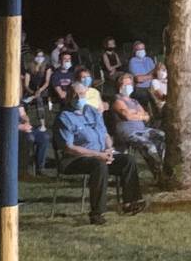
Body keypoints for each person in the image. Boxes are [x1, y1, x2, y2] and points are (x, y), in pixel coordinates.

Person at [54, 78, 144, 224]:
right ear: (69, 96)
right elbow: (69, 147)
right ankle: (97, 213)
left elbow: (105, 134)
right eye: (75, 95)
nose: (79, 98)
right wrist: (99, 155)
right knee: (99, 165)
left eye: (82, 95)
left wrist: (109, 149)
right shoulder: (64, 117)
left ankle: (131, 202)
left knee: (128, 160)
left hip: (101, 153)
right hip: (75, 158)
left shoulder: (91, 111)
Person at [108, 73, 165, 179]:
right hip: (128, 132)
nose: (128, 87)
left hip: (142, 129)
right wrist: (138, 115)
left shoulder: (134, 101)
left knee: (162, 136)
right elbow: (127, 116)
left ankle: (163, 167)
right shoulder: (117, 100)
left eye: (130, 84)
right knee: (149, 146)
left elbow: (147, 116)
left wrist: (134, 113)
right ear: (119, 86)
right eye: (125, 84)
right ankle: (158, 175)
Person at [127, 41, 157, 110]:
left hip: (153, 86)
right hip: (141, 88)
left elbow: (157, 73)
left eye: (143, 49)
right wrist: (152, 75)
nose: (141, 51)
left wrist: (145, 77)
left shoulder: (149, 59)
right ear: (135, 51)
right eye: (139, 49)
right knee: (145, 97)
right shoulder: (133, 61)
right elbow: (138, 79)